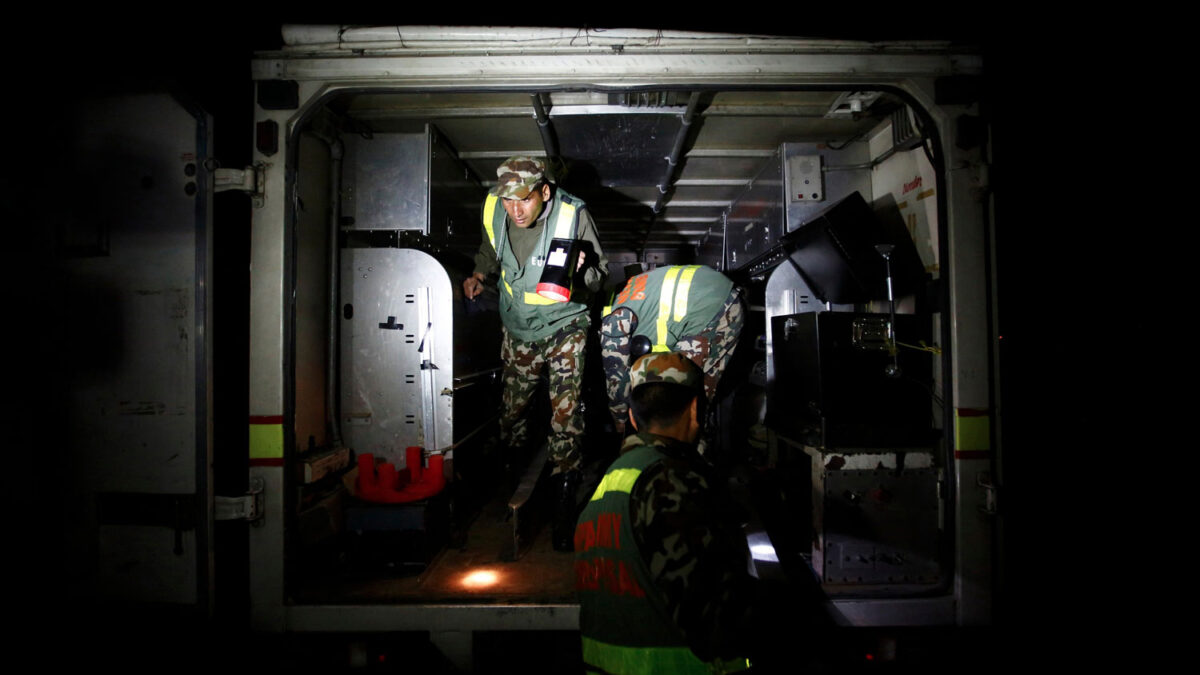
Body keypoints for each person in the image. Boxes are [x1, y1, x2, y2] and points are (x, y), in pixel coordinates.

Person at [574, 352, 755, 674]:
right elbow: (716, 619)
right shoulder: (670, 481)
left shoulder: (607, 487)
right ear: (697, 409)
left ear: (631, 417)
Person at [462, 156, 607, 551]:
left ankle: (563, 511)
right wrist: (479, 274)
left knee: (565, 416)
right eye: (508, 201)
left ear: (544, 192)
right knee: (512, 413)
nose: (515, 210)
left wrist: (583, 270)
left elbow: (599, 277)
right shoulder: (495, 208)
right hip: (519, 330)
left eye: (523, 200)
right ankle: (509, 484)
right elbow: (490, 250)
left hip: (565, 327)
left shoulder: (573, 214)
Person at [600, 264, 744, 437]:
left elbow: (615, 374)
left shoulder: (611, 318)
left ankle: (687, 456)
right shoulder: (627, 291)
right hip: (718, 294)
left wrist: (620, 419)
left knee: (679, 406)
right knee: (693, 398)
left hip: (710, 309)